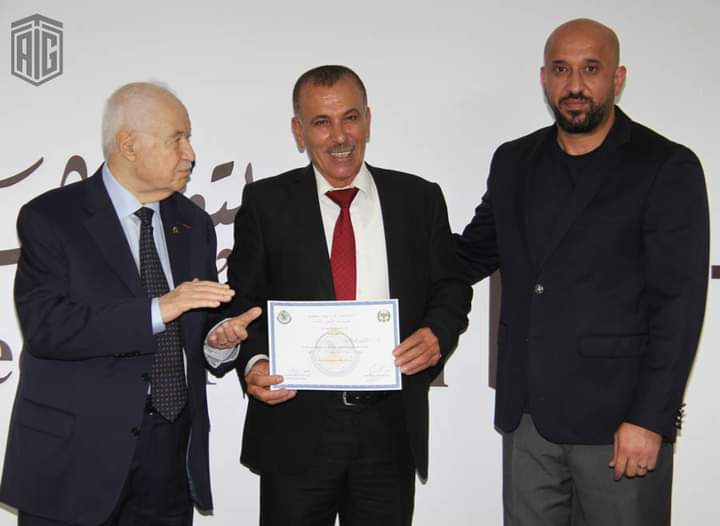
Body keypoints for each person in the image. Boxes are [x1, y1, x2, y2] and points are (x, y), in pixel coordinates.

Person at [456, 18, 709, 526]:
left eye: (590, 69)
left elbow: (678, 306)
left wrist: (649, 418)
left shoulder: (665, 166)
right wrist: (390, 238)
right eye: (561, 69)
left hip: (619, 424)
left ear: (617, 78)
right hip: (528, 420)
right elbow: (470, 255)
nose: (574, 85)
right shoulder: (513, 161)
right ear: (544, 78)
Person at [207, 65, 472, 525]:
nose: (340, 137)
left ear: (368, 119)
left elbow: (451, 286)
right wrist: (255, 363)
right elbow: (242, 301)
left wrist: (436, 333)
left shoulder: (418, 198)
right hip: (295, 431)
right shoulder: (266, 204)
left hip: (390, 432)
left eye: (350, 118)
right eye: (321, 123)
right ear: (299, 132)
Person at [0, 82, 260, 525]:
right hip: (77, 456)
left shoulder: (193, 223)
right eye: (177, 138)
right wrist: (158, 310)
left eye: (189, 138)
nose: (191, 153)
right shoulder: (51, 217)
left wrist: (218, 340)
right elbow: (47, 327)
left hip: (168, 457)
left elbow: (197, 322)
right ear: (129, 145)